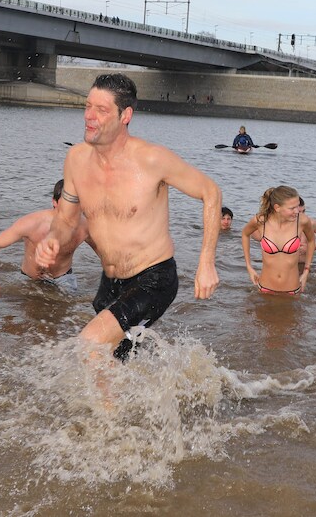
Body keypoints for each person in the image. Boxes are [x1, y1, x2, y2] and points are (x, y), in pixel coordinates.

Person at [35, 73, 221, 361]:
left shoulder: (152, 159)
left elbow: (211, 192)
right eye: (87, 106)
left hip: (153, 279)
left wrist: (206, 263)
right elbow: (67, 220)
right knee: (113, 360)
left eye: (101, 109)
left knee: (90, 343)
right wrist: (52, 238)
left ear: (125, 116)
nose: (89, 116)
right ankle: (157, 387)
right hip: (110, 282)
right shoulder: (76, 160)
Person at [0, 179, 93, 297]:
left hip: (63, 279)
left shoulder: (85, 227)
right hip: (29, 278)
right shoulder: (32, 223)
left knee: (71, 305)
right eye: (67, 202)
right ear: (54, 202)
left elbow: (104, 255)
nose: (71, 208)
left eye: (76, 202)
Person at [240, 186, 315, 295]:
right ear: (277, 207)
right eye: (292, 208)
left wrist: (306, 271)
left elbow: (311, 240)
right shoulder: (261, 221)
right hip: (264, 287)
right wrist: (249, 267)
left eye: (297, 206)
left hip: (292, 289)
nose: (297, 211)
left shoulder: (302, 221)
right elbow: (245, 234)